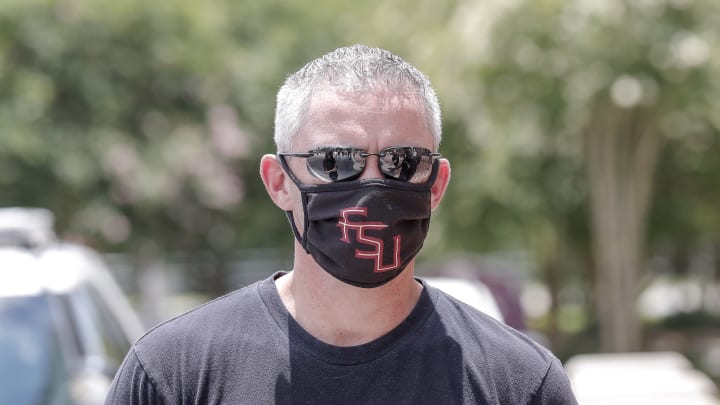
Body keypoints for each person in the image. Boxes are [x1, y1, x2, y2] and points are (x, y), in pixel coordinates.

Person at [106, 44, 578, 404]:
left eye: (403, 161)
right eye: (334, 162)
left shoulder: (518, 384)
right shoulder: (174, 374)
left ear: (436, 183)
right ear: (278, 181)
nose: (372, 187)